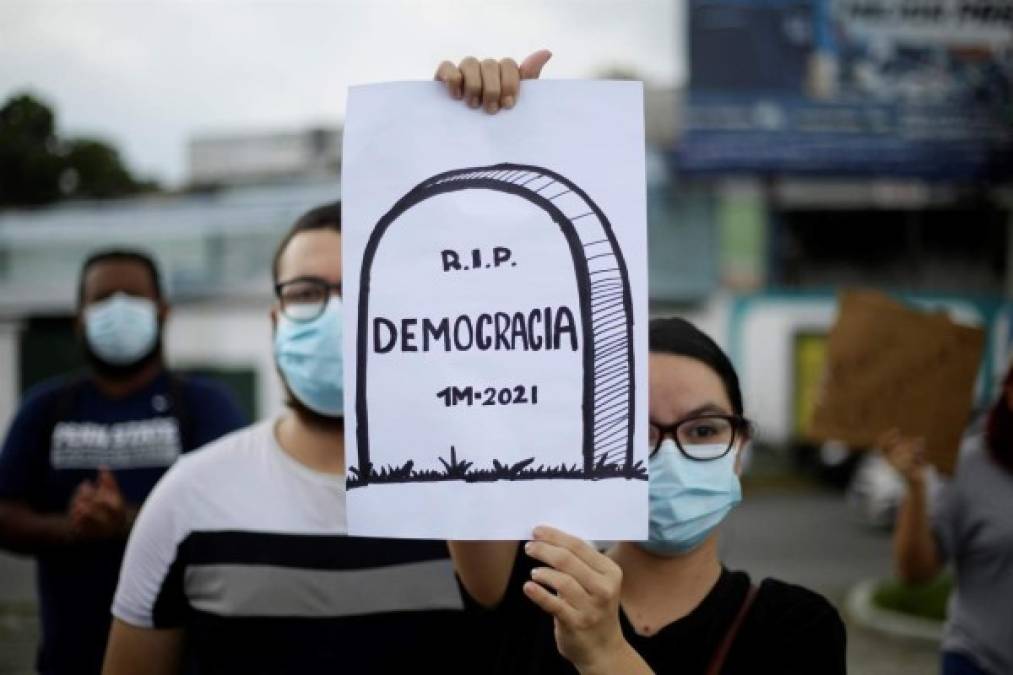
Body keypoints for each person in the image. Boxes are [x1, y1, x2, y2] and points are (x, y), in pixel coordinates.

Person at [436, 54, 845, 674]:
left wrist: (605, 653)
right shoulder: (531, 587)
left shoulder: (796, 627)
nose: (669, 454)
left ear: (742, 445)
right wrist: (486, 137)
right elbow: (481, 336)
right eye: (636, 432)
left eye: (703, 430)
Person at [103, 203, 479, 675]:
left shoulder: (479, 499)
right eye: (306, 293)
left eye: (363, 287)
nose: (336, 315)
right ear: (275, 320)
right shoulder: (189, 498)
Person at [0, 249, 247, 675]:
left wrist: (128, 522)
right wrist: (73, 527)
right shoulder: (46, 407)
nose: (117, 309)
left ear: (162, 311)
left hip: (189, 659)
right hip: (69, 658)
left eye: (132, 297)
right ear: (80, 318)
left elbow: (236, 513)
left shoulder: (204, 405)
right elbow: (5, 511)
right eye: (102, 298)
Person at [883, 363, 1013, 675]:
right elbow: (915, 571)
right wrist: (915, 488)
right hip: (980, 663)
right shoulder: (969, 464)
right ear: (1009, 393)